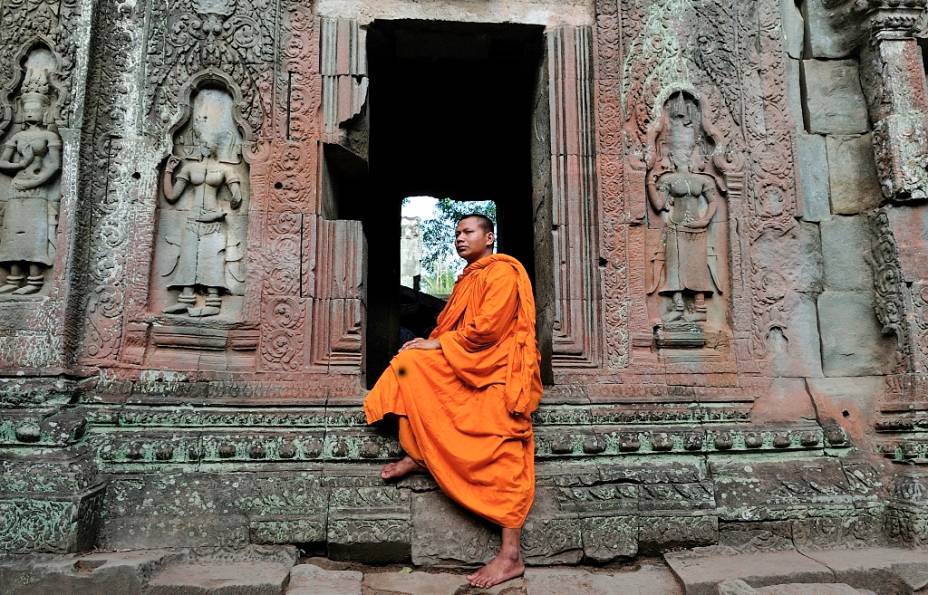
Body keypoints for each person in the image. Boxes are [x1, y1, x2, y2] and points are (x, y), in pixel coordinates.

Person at [363, 214, 542, 588]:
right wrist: (434, 344)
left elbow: (488, 329)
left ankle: (511, 555)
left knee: (504, 440)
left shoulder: (502, 273)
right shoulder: (467, 279)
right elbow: (451, 328)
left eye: (468, 232)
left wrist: (438, 343)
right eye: (456, 233)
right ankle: (418, 451)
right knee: (408, 365)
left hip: (497, 368)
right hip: (466, 361)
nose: (460, 238)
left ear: (489, 237)